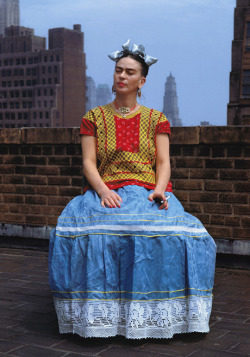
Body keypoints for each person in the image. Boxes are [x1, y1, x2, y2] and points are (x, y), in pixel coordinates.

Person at [49, 40, 216, 339]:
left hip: (149, 190)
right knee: (93, 234)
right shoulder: (94, 118)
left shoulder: (156, 119)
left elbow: (163, 162)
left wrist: (161, 190)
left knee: (177, 235)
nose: (122, 76)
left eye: (129, 72)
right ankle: (102, 316)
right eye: (118, 71)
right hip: (107, 188)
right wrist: (101, 191)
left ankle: (154, 315)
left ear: (142, 80)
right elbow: (88, 163)